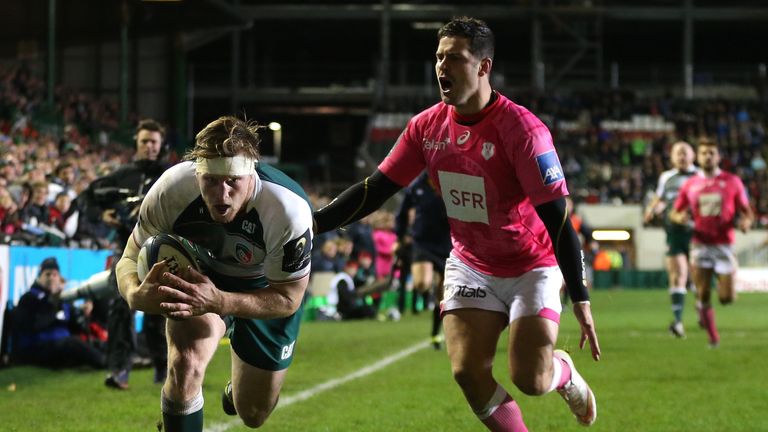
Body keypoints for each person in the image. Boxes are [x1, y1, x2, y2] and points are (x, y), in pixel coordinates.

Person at [313, 17, 600, 430]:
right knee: (467, 372)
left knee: (531, 379)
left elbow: (557, 219)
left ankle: (565, 375)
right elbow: (374, 190)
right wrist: (313, 224)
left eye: (456, 59)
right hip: (472, 263)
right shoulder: (426, 127)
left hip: (530, 265)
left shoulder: (523, 130)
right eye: (439, 57)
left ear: (484, 67)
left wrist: (581, 297)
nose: (442, 68)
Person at [116, 115, 313, 431]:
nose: (222, 194)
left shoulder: (286, 209)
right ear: (197, 173)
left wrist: (222, 301)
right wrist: (134, 294)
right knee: (185, 364)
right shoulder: (172, 189)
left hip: (265, 288)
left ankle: (238, 389)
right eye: (210, 180)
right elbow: (127, 258)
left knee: (254, 413)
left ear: (251, 174)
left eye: (232, 181)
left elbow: (288, 298)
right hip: (201, 275)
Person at [81, 118, 170, 390]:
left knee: (159, 313)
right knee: (121, 307)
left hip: (162, 253)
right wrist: (102, 214)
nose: (149, 146)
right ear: (136, 143)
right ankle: (119, 370)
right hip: (126, 253)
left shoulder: (171, 176)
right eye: (144, 141)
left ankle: (163, 368)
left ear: (161, 144)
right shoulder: (122, 175)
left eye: (154, 141)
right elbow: (88, 197)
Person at [670, 137, 754, 348]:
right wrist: (680, 218)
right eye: (704, 153)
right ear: (698, 157)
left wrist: (745, 222)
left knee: (726, 298)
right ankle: (713, 339)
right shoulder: (691, 184)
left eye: (711, 153)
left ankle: (728, 279)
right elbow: (675, 212)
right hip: (700, 244)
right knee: (703, 293)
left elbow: (747, 212)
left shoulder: (732, 181)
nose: (708, 156)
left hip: (724, 245)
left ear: (718, 157)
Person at [643, 141, 698, 338]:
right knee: (678, 274)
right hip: (674, 231)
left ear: (693, 156)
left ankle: (702, 307)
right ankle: (678, 321)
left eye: (685, 153)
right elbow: (660, 200)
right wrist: (651, 211)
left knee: (697, 275)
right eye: (678, 153)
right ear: (672, 157)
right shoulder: (666, 177)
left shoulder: (700, 176)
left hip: (697, 233)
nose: (682, 157)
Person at [11, 257, 106, 369]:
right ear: (39, 277)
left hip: (61, 346)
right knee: (73, 343)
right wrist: (53, 308)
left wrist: (82, 312)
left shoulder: (63, 299)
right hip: (39, 348)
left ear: (59, 278)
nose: (51, 278)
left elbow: (75, 325)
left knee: (95, 343)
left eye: (55, 275)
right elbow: (33, 326)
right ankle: (106, 364)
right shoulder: (29, 298)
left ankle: (123, 360)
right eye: (47, 274)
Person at [394, 171, 452, 349]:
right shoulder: (416, 186)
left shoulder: (451, 181)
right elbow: (402, 213)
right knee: (421, 284)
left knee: (444, 295)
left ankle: (435, 333)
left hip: (447, 243)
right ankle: (430, 286)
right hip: (423, 242)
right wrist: (400, 236)